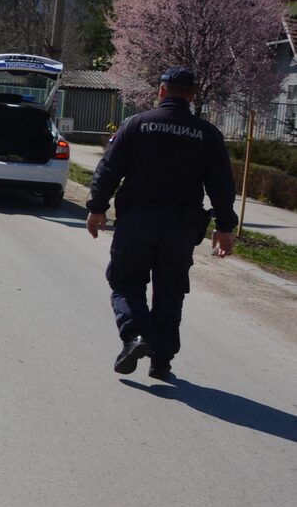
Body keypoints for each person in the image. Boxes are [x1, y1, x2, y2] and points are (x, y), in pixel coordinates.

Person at [85, 66, 237, 381]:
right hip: (181, 227)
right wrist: (224, 226)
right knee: (170, 292)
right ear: (193, 96)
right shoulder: (207, 134)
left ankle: (135, 337)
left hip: (137, 221)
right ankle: (161, 362)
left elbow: (109, 169)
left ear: (162, 91)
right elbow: (221, 184)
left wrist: (97, 208)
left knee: (126, 283)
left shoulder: (136, 125)